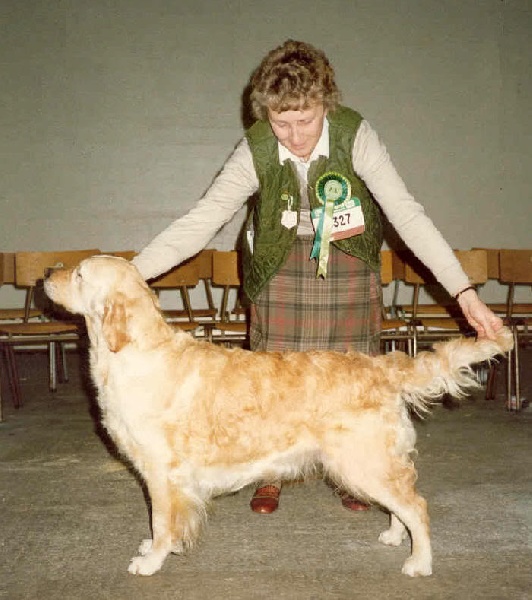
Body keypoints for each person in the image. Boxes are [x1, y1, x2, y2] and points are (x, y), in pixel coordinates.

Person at [132, 39, 504, 514]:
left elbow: (407, 216)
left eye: (305, 121)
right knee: (271, 376)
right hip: (279, 260)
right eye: (280, 123)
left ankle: (356, 466)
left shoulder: (355, 135)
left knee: (351, 374)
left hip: (348, 259)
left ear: (325, 105)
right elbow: (200, 221)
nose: (294, 136)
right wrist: (129, 274)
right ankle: (269, 471)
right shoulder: (256, 148)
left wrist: (464, 293)